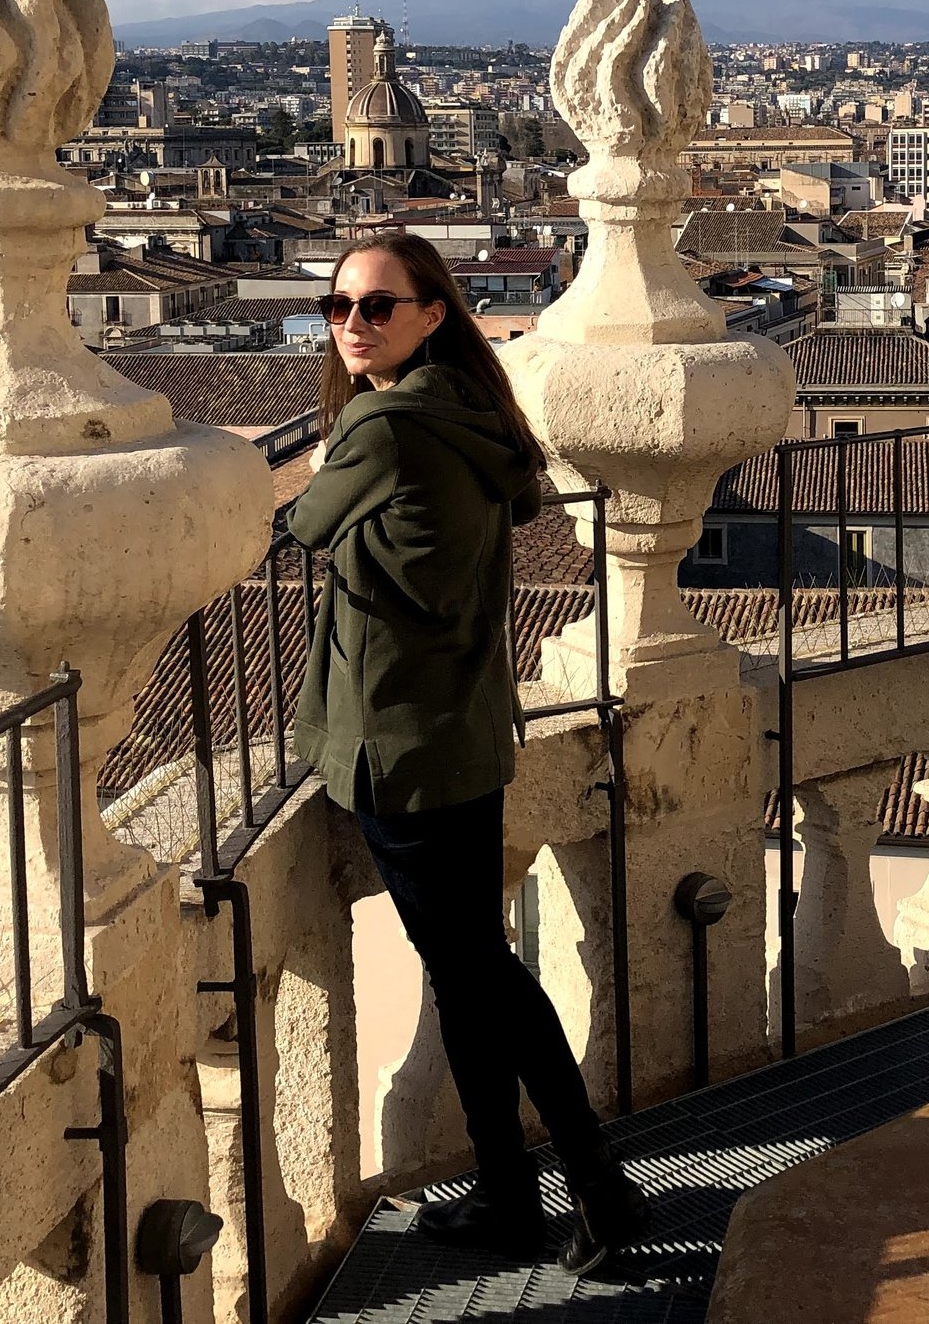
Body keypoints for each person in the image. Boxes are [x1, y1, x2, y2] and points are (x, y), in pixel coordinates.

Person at [288, 230, 648, 1271]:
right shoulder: (466, 411)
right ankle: (509, 1194)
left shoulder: (381, 430)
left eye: (377, 306)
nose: (351, 325)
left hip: (396, 744)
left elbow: (303, 525)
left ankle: (595, 1185)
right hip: (465, 727)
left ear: (432, 313)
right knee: (466, 972)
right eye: (337, 307)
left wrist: (329, 468)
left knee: (479, 971)